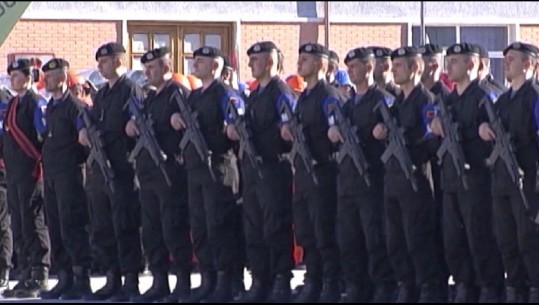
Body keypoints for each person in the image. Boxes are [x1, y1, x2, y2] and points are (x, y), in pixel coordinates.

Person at [430, 42, 505, 303]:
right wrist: (437, 125)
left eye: (455, 62)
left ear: (471, 64)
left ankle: (488, 286)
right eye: (448, 61)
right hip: (451, 178)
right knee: (453, 236)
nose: (448, 67)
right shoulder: (449, 100)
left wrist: (479, 131)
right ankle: (464, 283)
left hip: (477, 179)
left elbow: (497, 134)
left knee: (479, 234)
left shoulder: (485, 96)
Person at [169, 46, 241, 303]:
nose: (195, 64)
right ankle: (208, 277)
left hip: (218, 167)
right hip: (195, 170)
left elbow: (235, 123)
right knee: (199, 227)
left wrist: (230, 129)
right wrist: (177, 118)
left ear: (216, 66)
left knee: (219, 225)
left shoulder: (225, 93)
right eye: (195, 60)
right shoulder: (195, 96)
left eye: (201, 61)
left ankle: (225, 280)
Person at [328, 47, 396, 302]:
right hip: (347, 180)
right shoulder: (348, 104)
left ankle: (381, 285)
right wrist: (333, 134)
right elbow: (335, 132)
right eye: (349, 66)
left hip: (371, 178)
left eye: (355, 66)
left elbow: (392, 136)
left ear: (369, 68)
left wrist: (381, 131)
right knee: (348, 237)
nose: (350, 71)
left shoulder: (383, 100)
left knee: (374, 235)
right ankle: (356, 285)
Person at [125, 46, 193, 303]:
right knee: (152, 230)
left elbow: (190, 129)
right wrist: (131, 126)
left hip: (170, 172)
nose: (148, 72)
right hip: (148, 174)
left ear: (167, 68)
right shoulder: (150, 98)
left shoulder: (178, 94)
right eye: (146, 68)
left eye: (152, 67)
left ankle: (183, 282)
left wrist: (178, 119)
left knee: (173, 227)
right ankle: (159, 280)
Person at [78, 42, 145, 302]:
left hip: (123, 169)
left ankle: (130, 279)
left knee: (124, 225)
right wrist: (84, 130)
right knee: (103, 226)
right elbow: (92, 121)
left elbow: (139, 123)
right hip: (100, 169)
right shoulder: (103, 94)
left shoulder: (130, 90)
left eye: (104, 62)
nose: (100, 67)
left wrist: (132, 125)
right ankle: (112, 276)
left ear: (118, 61)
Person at [374, 46, 442, 302]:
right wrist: (382, 129)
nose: (394, 69)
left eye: (400, 65)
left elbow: (431, 141)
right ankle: (406, 284)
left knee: (418, 238)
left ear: (414, 68)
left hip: (414, 178)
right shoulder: (397, 102)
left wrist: (410, 143)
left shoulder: (424, 100)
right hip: (393, 180)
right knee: (395, 239)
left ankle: (427, 287)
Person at [229, 41, 295, 303]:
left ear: (269, 62)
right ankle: (260, 278)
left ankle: (280, 278)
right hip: (253, 170)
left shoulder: (280, 91)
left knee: (275, 225)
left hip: (273, 166)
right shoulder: (255, 94)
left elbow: (288, 123)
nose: (250, 65)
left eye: (255, 60)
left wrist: (285, 131)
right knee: (254, 226)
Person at [281, 42, 343, 303]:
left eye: (305, 59)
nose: (299, 64)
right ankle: (313, 279)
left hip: (323, 171)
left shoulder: (328, 95)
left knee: (323, 231)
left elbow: (337, 130)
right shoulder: (303, 97)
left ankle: (330, 282)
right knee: (306, 231)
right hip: (304, 173)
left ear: (320, 64)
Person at [478, 41, 539, 303]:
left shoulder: (534, 97)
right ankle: (515, 288)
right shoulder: (502, 100)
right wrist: (483, 129)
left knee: (529, 240)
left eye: (512, 59)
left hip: (528, 180)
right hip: (502, 181)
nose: (506, 64)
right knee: (506, 239)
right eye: (505, 59)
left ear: (528, 64)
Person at [37, 58, 93, 300]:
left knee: (72, 226)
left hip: (70, 175)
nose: (46, 80)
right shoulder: (52, 106)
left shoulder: (74, 106)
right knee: (57, 227)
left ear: (61, 78)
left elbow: (84, 133)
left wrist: (83, 132)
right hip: (51, 175)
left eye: (50, 76)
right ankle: (65, 277)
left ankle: (81, 279)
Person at [0, 59, 51, 299]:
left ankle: (39, 272)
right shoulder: (12, 104)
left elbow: (42, 137)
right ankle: (24, 271)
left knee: (33, 221)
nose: (13, 79)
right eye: (11, 75)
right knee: (19, 223)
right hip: (14, 173)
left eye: (17, 75)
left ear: (29, 77)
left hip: (31, 172)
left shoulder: (35, 103)